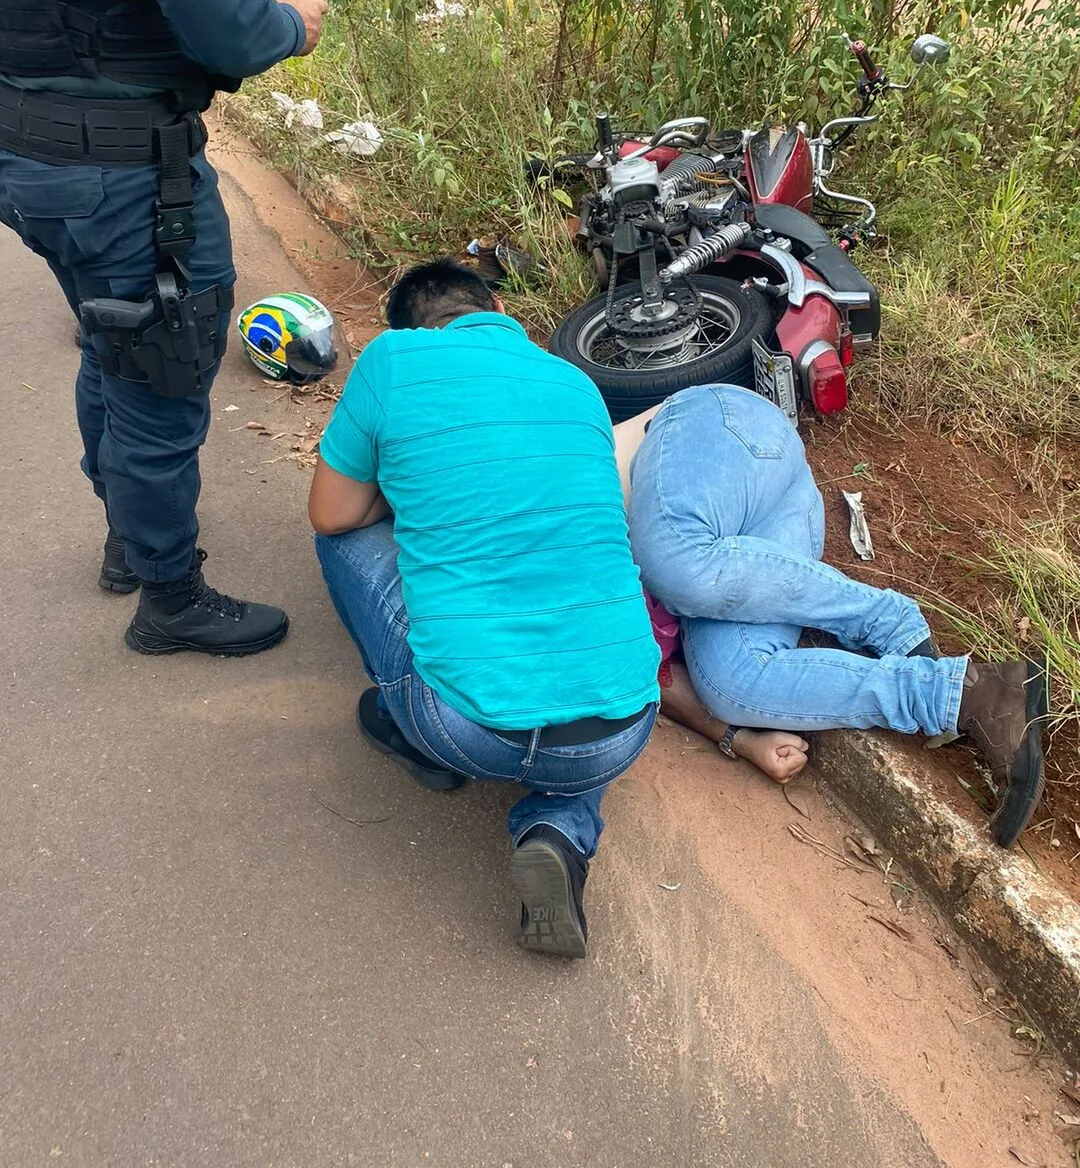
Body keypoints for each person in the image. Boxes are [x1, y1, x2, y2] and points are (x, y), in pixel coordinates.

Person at [0, 0, 328, 655]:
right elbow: (226, 31)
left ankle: (126, 541)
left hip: (29, 144)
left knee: (112, 340)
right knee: (160, 369)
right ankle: (168, 597)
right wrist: (285, 21)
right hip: (120, 168)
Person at [308, 260, 661, 959]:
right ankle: (559, 829)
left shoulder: (391, 361)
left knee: (340, 541)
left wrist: (394, 488)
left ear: (411, 327)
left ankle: (410, 727)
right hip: (623, 726)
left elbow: (331, 512)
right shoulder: (577, 383)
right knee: (578, 690)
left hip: (463, 728)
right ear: (499, 309)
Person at [616, 385, 1048, 849]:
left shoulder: (538, 571)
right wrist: (738, 739)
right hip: (774, 516)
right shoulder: (588, 654)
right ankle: (966, 695)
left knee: (675, 564)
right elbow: (653, 676)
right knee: (728, 681)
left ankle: (888, 620)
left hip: (711, 433)